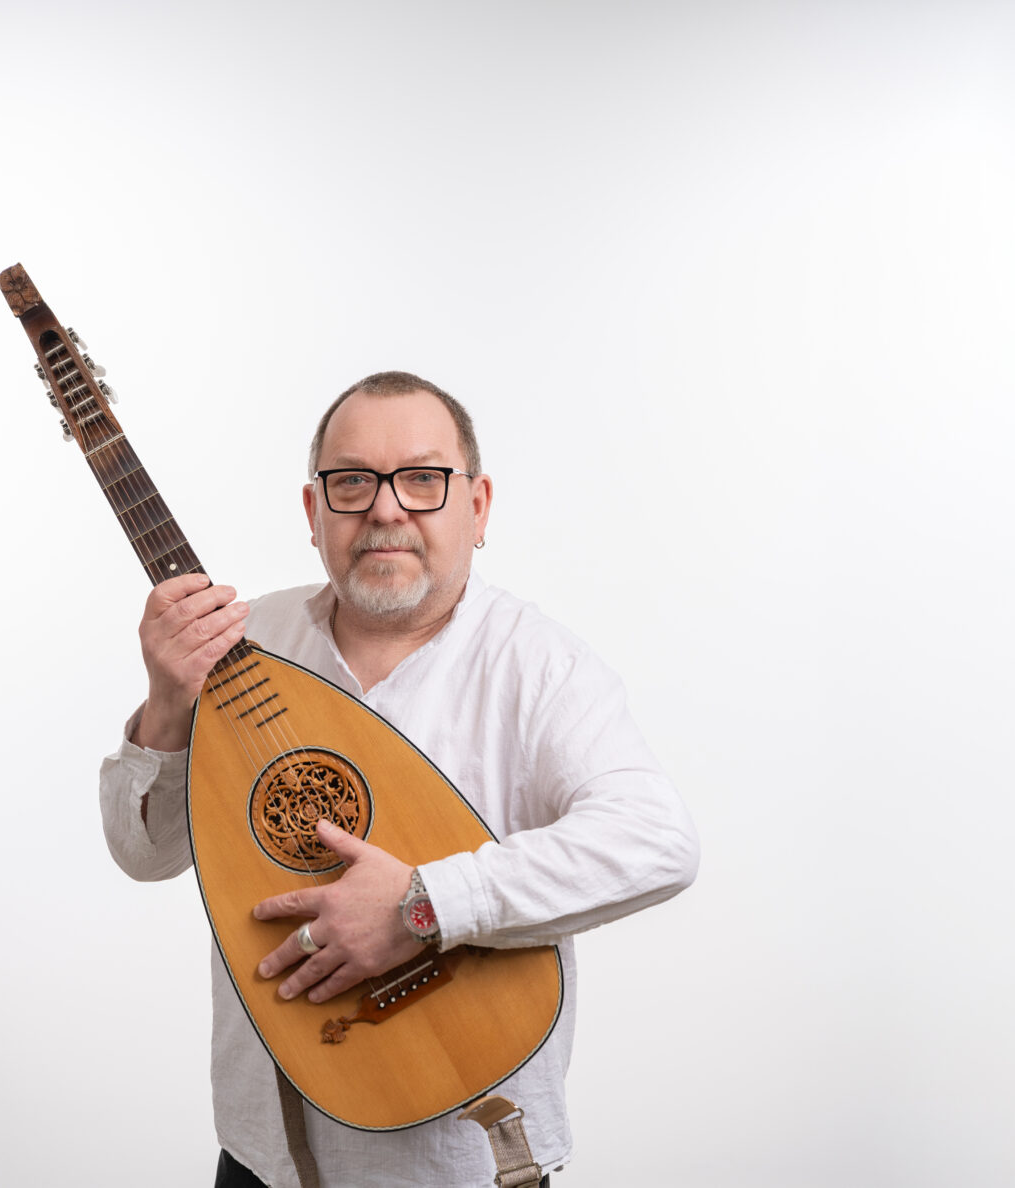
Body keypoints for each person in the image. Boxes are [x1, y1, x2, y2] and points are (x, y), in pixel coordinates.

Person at [98, 371, 698, 1187]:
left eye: (422, 479)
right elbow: (146, 855)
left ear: (477, 506)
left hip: (456, 1165)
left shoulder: (538, 665)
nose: (386, 509)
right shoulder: (244, 639)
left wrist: (424, 905)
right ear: (314, 511)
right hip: (262, 1158)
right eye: (352, 482)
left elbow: (656, 840)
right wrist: (169, 704)